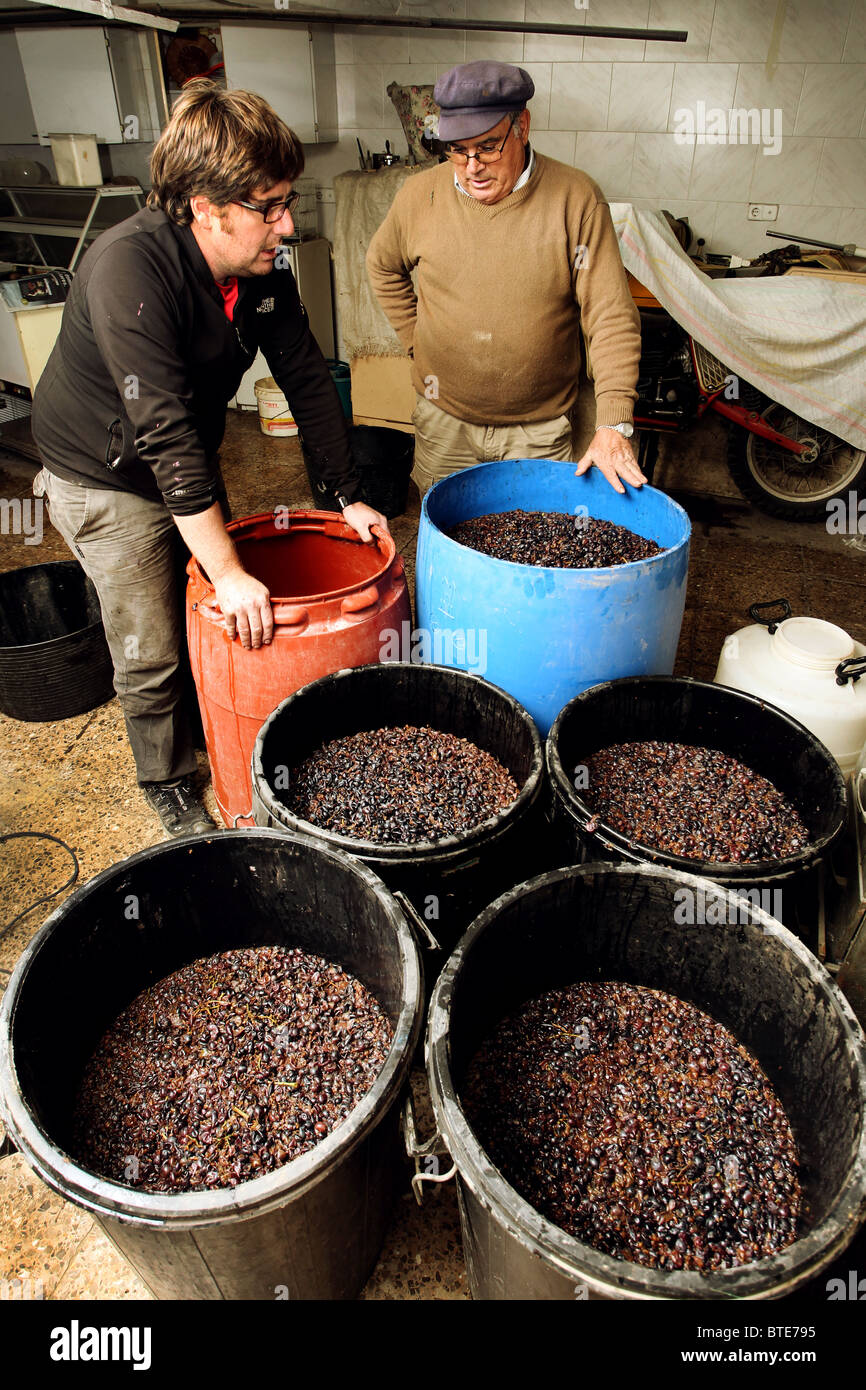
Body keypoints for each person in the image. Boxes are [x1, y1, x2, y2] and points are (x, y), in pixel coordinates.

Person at [32, 82, 386, 837]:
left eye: (287, 202)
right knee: (151, 639)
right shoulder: (129, 271)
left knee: (207, 605)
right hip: (103, 472)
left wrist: (347, 493)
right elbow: (159, 432)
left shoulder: (259, 277)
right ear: (205, 205)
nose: (285, 226)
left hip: (180, 454)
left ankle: (211, 721)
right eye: (270, 206)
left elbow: (307, 376)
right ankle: (164, 777)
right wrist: (226, 570)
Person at [366, 60, 645, 498]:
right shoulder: (420, 196)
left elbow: (609, 314)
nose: (471, 166)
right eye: (457, 150)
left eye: (488, 147)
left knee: (537, 548)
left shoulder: (576, 199)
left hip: (538, 430)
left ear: (523, 126)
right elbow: (382, 266)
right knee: (452, 543)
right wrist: (418, 342)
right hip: (445, 425)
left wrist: (613, 420)